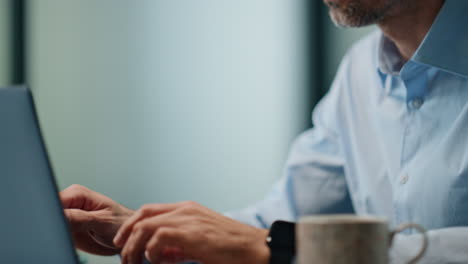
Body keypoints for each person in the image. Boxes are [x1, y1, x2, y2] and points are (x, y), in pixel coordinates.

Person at [61, 0, 468, 263]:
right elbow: (281, 218)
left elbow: (274, 242)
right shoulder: (359, 73)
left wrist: (280, 249)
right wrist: (145, 227)